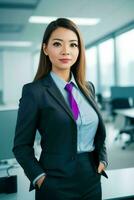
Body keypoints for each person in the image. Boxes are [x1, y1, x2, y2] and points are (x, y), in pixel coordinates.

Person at [13, 18, 108, 200]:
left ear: (79, 50)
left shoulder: (88, 88)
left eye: (73, 45)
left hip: (91, 180)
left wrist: (102, 159)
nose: (66, 51)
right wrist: (40, 179)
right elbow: (21, 146)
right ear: (45, 48)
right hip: (55, 183)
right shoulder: (35, 92)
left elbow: (97, 132)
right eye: (57, 44)